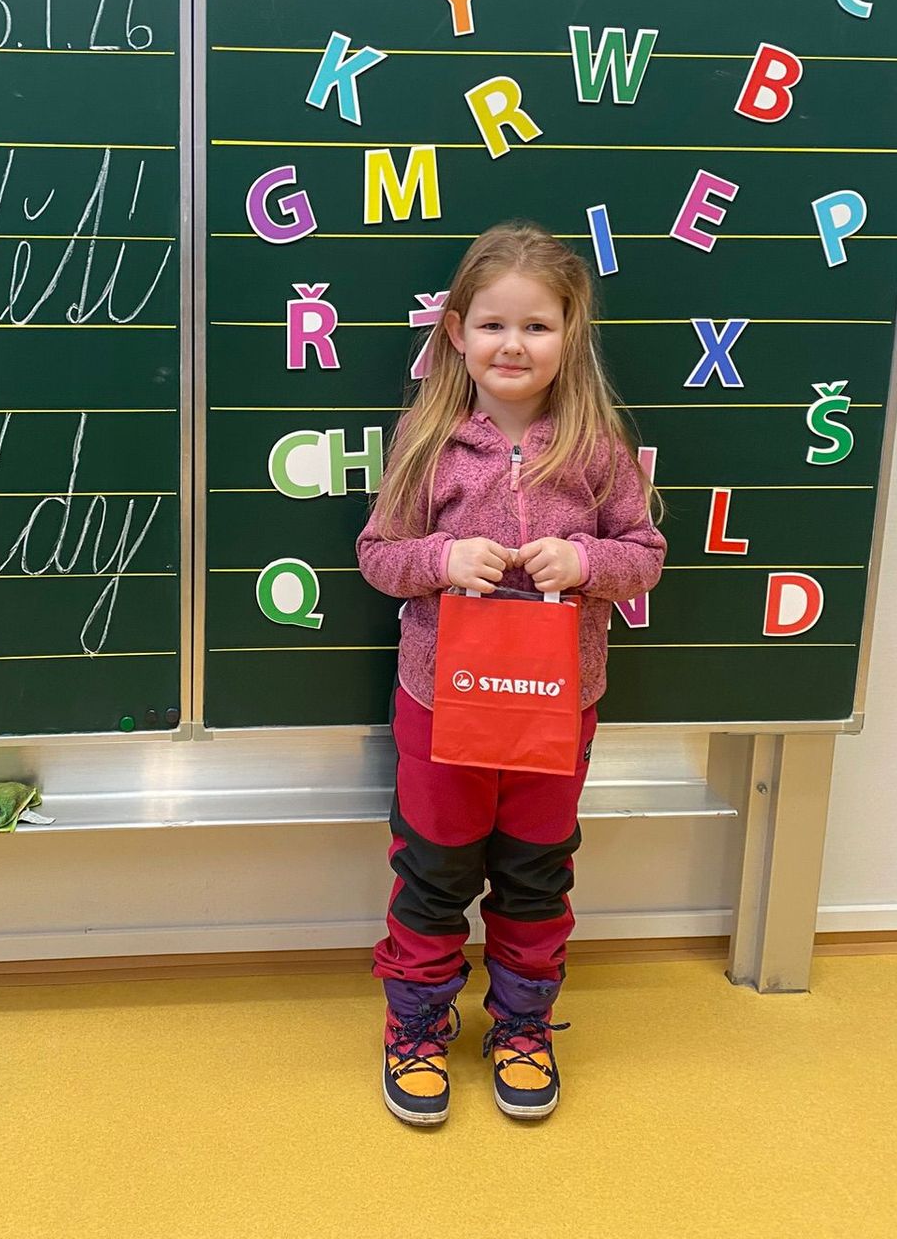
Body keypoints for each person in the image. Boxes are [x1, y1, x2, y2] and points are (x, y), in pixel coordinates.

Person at [355, 220, 665, 1126]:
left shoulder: (596, 447)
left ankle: (522, 1026)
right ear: (457, 332)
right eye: (493, 325)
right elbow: (379, 555)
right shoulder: (429, 441)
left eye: (537, 326)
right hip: (440, 703)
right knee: (434, 869)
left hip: (556, 708)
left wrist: (588, 561)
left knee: (536, 872)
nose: (514, 345)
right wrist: (443, 559)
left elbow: (645, 555)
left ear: (570, 333)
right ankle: (416, 1025)